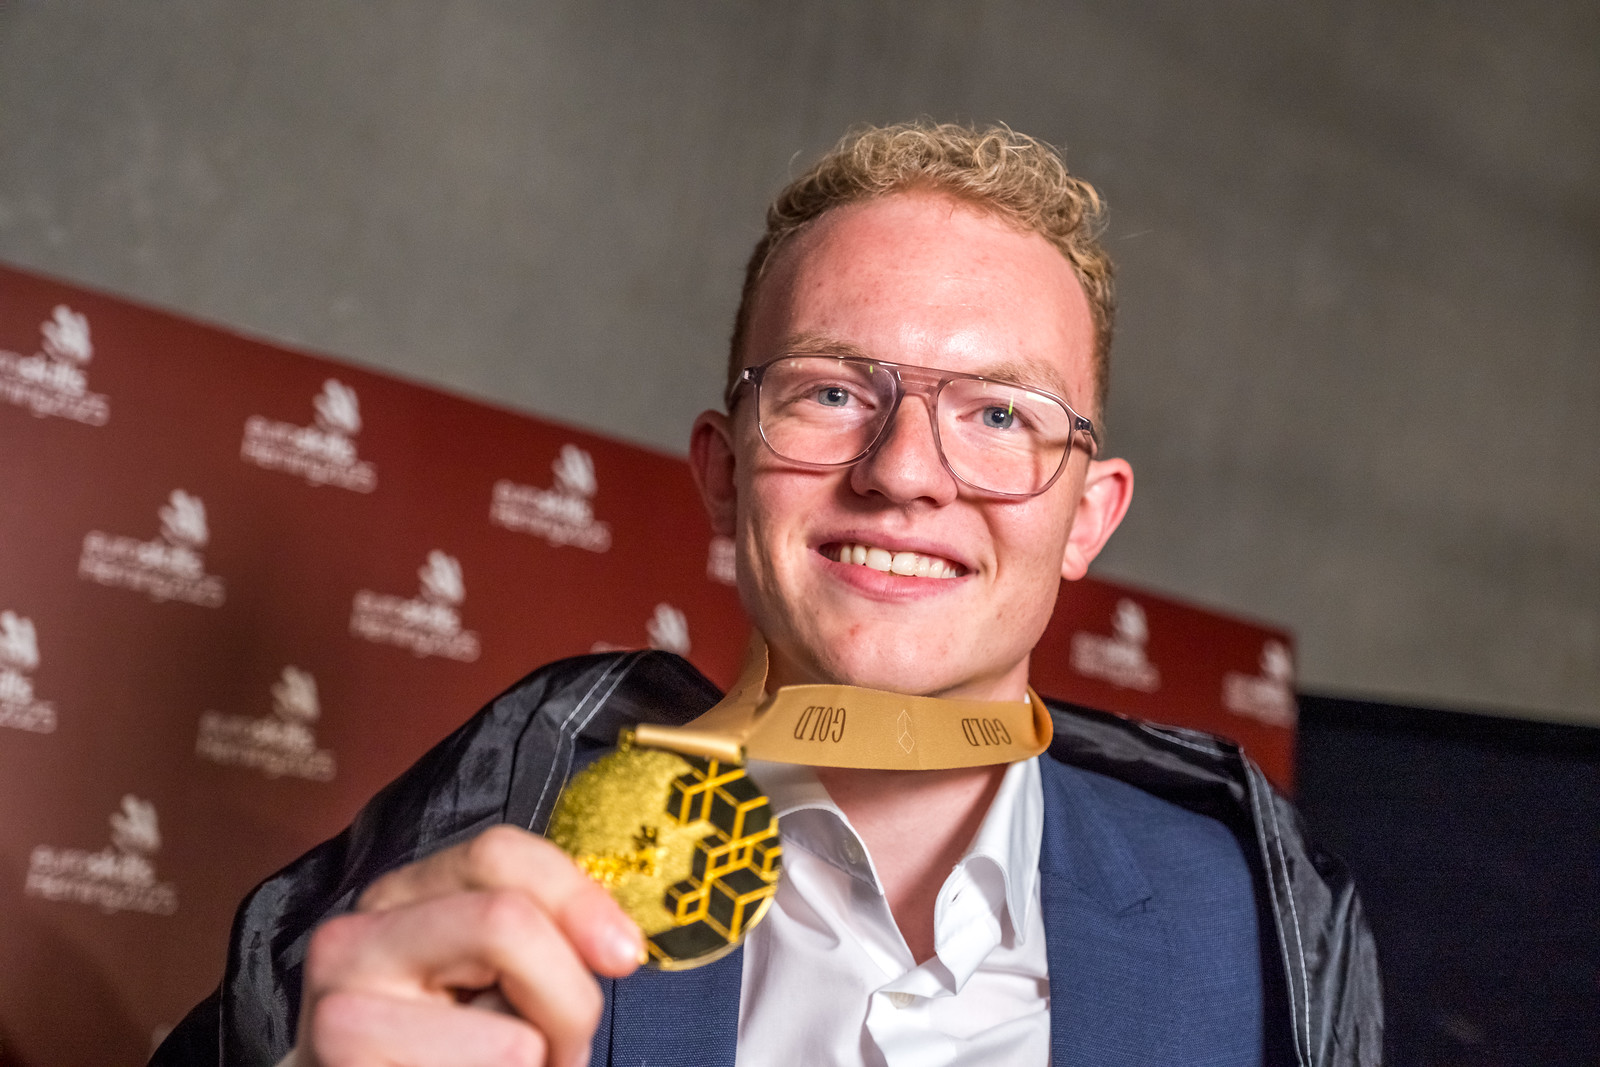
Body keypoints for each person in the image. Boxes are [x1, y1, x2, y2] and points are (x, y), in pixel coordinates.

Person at [154, 122, 1381, 1067]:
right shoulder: (498, 840)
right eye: (831, 392)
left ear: (1089, 516)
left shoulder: (1255, 923)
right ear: (722, 471)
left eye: (1000, 414)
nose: (902, 472)